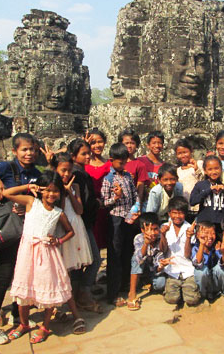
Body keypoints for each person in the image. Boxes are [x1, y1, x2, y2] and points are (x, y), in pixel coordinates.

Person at [0, 133, 41, 345]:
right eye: (25, 149)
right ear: (15, 151)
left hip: (25, 231)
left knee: (22, 275)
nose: (29, 153)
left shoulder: (36, 173)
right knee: (4, 276)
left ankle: (19, 316)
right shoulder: (7, 168)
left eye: (33, 149)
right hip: (6, 230)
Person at [3, 171, 74, 344]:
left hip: (47, 255)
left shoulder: (58, 212)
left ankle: (45, 326)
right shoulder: (30, 202)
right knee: (23, 291)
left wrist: (58, 240)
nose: (51, 194)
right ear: (41, 189)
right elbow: (6, 193)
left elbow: (71, 232)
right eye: (48, 190)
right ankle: (24, 324)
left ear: (60, 193)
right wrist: (28, 187)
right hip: (27, 254)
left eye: (55, 191)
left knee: (48, 290)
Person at [50, 152, 92, 334]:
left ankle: (71, 301)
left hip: (76, 226)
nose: (66, 174)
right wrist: (61, 191)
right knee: (60, 269)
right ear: (55, 170)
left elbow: (80, 209)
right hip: (61, 229)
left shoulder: (74, 185)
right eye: (62, 171)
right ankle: (58, 306)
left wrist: (69, 191)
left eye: (69, 170)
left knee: (71, 269)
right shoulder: (51, 188)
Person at [101, 143, 138, 305]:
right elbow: (104, 203)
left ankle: (124, 285)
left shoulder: (128, 176)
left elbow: (135, 195)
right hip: (116, 219)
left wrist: (136, 209)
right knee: (114, 255)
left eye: (125, 162)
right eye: (120, 162)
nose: (123, 165)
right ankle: (112, 293)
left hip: (129, 218)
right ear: (111, 161)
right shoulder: (109, 179)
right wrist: (115, 198)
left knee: (127, 252)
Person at [68, 138, 102, 313]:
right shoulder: (77, 174)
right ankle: (83, 292)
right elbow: (84, 202)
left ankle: (77, 294)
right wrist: (97, 202)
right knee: (95, 260)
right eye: (84, 154)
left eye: (89, 153)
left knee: (79, 261)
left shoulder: (80, 172)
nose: (89, 156)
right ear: (73, 156)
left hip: (82, 222)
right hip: (80, 222)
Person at [160, 197, 201, 306]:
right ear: (169, 213)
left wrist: (188, 237)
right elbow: (163, 250)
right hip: (172, 269)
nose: (177, 216)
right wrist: (162, 235)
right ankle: (178, 289)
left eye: (181, 213)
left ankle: (186, 289)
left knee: (192, 300)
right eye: (174, 213)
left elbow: (187, 255)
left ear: (185, 214)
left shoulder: (189, 228)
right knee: (171, 299)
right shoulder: (164, 227)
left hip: (187, 269)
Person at [190, 155, 224, 230]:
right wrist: (209, 190)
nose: (214, 172)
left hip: (221, 225)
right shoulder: (201, 185)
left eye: (216, 168)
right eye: (210, 169)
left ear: (221, 169)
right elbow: (192, 201)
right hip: (204, 225)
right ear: (205, 171)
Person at [127, 212, 166, 310]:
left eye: (155, 229)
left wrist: (160, 267)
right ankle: (132, 293)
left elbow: (162, 251)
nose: (152, 233)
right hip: (141, 267)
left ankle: (147, 282)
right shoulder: (139, 238)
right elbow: (139, 258)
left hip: (154, 270)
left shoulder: (161, 237)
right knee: (136, 260)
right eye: (148, 229)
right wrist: (146, 243)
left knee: (161, 283)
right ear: (142, 230)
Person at [186, 221, 224, 301]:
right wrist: (202, 244)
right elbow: (198, 264)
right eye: (206, 233)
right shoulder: (195, 248)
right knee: (201, 271)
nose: (210, 236)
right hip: (205, 283)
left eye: (213, 233)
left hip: (215, 282)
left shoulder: (217, 247)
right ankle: (203, 295)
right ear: (197, 235)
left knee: (221, 269)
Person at [84, 128, 111, 250]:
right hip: (89, 209)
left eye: (100, 142)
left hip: (106, 209)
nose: (97, 145)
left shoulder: (110, 164)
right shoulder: (83, 164)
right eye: (93, 142)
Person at [118, 128, 149, 207]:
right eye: (126, 143)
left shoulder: (139, 165)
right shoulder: (115, 163)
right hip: (117, 204)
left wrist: (138, 205)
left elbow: (140, 188)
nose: (129, 146)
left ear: (137, 145)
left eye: (132, 143)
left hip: (131, 204)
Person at [175, 138, 203, 222]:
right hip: (185, 208)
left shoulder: (199, 164)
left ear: (191, 151)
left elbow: (203, 180)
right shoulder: (178, 170)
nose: (183, 155)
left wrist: (197, 169)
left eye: (185, 152)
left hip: (199, 207)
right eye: (179, 153)